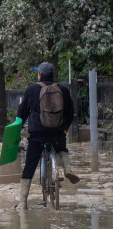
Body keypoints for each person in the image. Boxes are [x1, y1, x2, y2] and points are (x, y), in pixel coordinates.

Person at [16, 62, 78, 209]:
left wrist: (17, 128)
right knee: (62, 148)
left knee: (30, 165)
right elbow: (70, 112)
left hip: (37, 135)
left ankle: (22, 202)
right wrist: (65, 127)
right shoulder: (62, 89)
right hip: (57, 133)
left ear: (40, 74)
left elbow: (22, 112)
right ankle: (67, 169)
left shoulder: (31, 90)